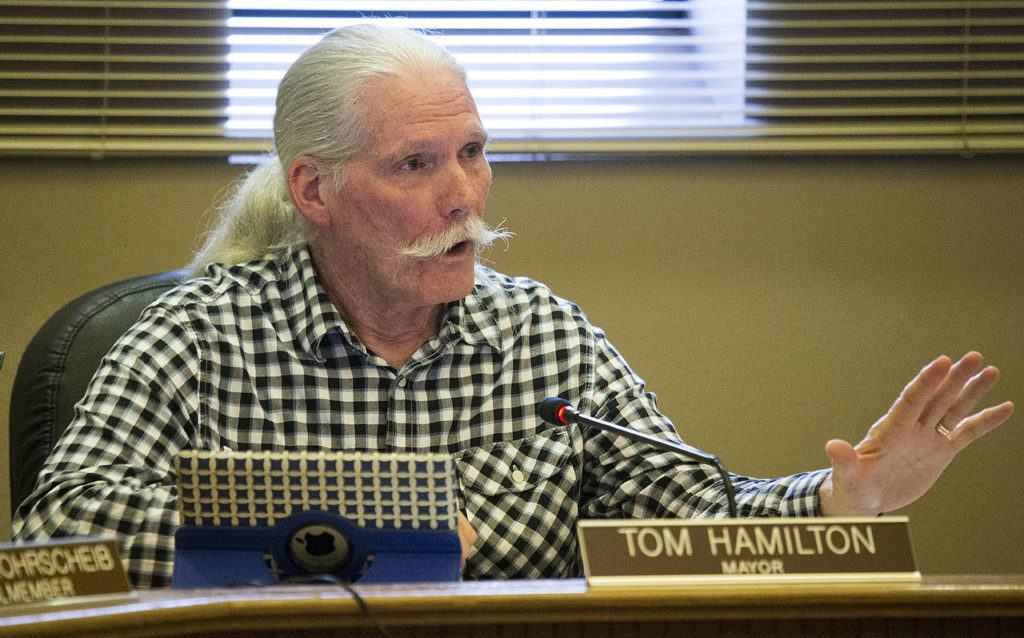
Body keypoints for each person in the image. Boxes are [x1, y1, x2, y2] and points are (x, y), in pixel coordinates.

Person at [12, 24, 1014, 588]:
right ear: (315, 192)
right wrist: (365, 525)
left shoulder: (541, 335)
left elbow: (694, 522)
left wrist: (848, 501)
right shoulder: (202, 332)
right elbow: (54, 535)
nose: (464, 196)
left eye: (472, 152)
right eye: (416, 163)